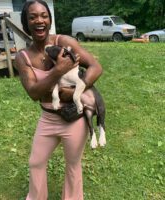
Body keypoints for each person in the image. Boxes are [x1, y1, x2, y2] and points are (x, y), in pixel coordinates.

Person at [15, 1, 103, 199]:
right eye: (33, 17)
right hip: (48, 119)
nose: (39, 20)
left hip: (74, 118)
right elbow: (34, 93)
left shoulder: (64, 42)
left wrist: (73, 93)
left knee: (73, 165)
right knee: (36, 162)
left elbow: (95, 67)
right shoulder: (23, 57)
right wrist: (58, 70)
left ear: (50, 20)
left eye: (44, 15)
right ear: (25, 23)